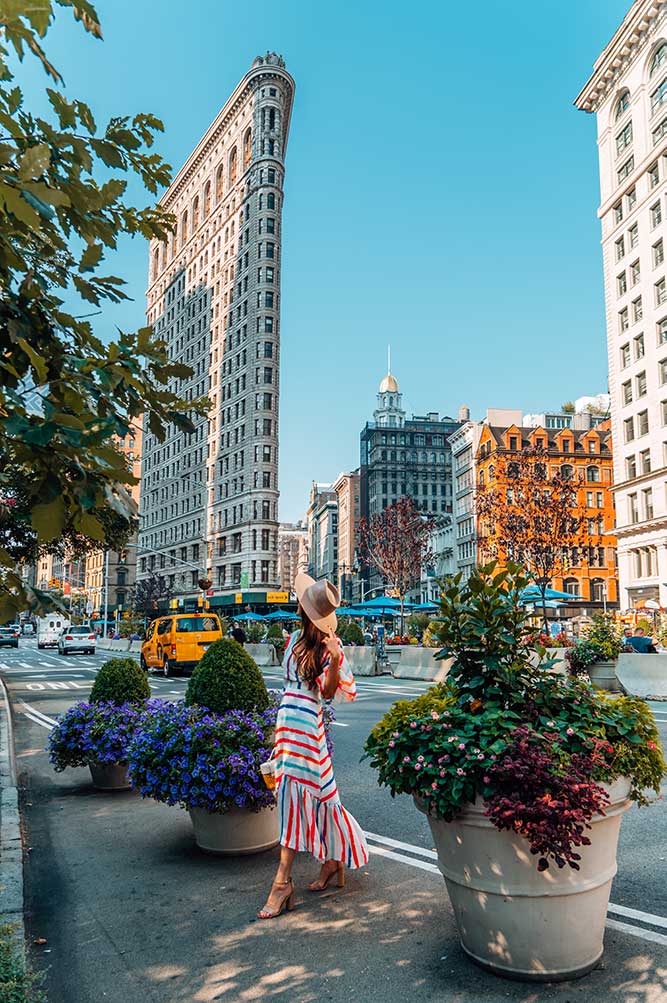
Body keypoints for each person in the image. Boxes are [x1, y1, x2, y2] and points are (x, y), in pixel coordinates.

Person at [258, 573, 369, 920]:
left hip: (307, 723)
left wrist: (335, 661)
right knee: (323, 795)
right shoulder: (293, 641)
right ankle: (333, 861)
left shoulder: (326, 648)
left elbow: (328, 694)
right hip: (287, 721)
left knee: (294, 797)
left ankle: (281, 882)